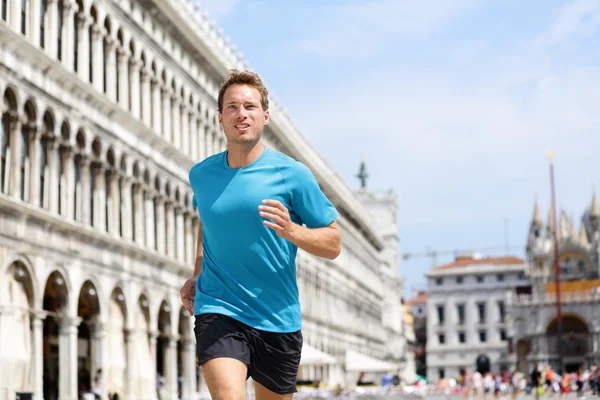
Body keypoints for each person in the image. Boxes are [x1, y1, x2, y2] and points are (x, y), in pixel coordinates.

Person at [180, 69, 341, 400]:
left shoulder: (293, 175)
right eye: (232, 106)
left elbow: (334, 243)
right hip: (218, 306)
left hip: (276, 317)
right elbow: (206, 220)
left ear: (265, 116)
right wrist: (198, 273)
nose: (242, 114)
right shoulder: (201, 175)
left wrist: (293, 230)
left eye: (250, 107)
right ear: (221, 117)